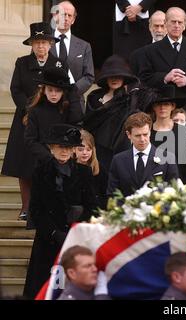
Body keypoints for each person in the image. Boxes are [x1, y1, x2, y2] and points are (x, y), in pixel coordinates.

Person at [23, 124, 98, 299]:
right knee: (45, 285)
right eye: (59, 147)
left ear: (73, 150)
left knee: (74, 286)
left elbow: (92, 206)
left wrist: (76, 227)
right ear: (51, 148)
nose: (64, 151)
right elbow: (36, 208)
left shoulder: (84, 172)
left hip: (75, 237)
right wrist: (54, 232)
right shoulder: (40, 172)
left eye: (68, 148)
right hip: (48, 238)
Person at [1, 22, 63, 221]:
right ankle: (26, 206)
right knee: (24, 164)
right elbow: (15, 89)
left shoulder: (60, 64)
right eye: (37, 43)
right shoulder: (22, 63)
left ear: (51, 44)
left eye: (44, 42)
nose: (41, 47)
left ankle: (46, 205)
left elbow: (65, 90)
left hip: (52, 121)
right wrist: (29, 110)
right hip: (25, 120)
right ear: (31, 45)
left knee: (49, 163)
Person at [139, 6, 186, 131]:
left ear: (185, 25)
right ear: (166, 23)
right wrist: (165, 78)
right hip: (161, 107)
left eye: (180, 22)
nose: (177, 25)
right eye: (173, 22)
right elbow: (144, 78)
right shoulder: (151, 50)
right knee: (162, 148)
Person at [83, 54, 139, 173]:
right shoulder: (94, 97)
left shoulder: (130, 99)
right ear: (105, 78)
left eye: (118, 76)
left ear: (124, 78)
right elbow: (88, 123)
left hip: (122, 148)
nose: (114, 79)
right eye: (111, 76)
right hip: (98, 148)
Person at [107, 112, 179, 197]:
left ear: (150, 132)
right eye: (137, 135)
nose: (142, 139)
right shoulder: (118, 160)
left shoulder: (167, 158)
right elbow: (113, 194)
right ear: (128, 134)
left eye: (145, 134)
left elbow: (174, 192)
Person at [24, 66, 83, 167]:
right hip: (44, 162)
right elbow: (30, 139)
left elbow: (77, 120)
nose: (53, 94)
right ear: (43, 90)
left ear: (63, 92)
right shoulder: (36, 110)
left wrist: (72, 92)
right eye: (50, 90)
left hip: (67, 160)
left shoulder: (67, 109)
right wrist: (49, 157)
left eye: (58, 90)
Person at [147, 86, 186, 183]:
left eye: (166, 104)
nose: (162, 108)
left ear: (173, 106)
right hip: (149, 188)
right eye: (158, 104)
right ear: (154, 107)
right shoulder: (145, 133)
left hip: (178, 189)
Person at [51, 1, 95, 111]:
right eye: (62, 14)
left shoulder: (84, 46)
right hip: (48, 103)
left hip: (75, 103)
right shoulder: (43, 43)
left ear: (73, 20)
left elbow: (89, 76)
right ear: (54, 16)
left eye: (69, 15)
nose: (65, 18)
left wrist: (71, 91)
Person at [75, 130, 108, 210]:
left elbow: (106, 192)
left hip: (97, 210)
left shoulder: (99, 167)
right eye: (80, 149)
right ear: (73, 149)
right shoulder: (70, 167)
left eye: (88, 149)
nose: (85, 153)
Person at [130, 10, 167, 77]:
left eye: (162, 26)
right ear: (150, 27)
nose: (159, 30)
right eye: (156, 26)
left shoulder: (178, 50)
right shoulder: (138, 54)